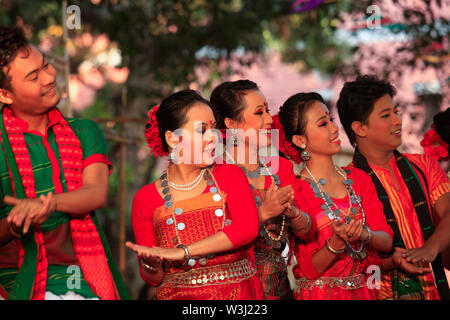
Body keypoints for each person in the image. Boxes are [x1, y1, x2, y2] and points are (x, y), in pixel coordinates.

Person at [0, 26, 128, 300]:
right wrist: (15, 224)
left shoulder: (85, 131)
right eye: (34, 76)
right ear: (5, 95)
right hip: (12, 280)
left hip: (80, 280)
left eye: (45, 65)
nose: (49, 77)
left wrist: (48, 204)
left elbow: (96, 193)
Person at [126, 89, 263, 300]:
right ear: (172, 139)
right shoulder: (145, 198)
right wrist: (150, 263)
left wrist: (183, 252)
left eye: (214, 129)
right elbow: (152, 277)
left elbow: (247, 227)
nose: (213, 138)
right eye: (202, 130)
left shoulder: (229, 175)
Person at [336, 75, 450, 300]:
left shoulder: (424, 166)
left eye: (395, 112)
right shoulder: (347, 184)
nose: (397, 121)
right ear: (360, 128)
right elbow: (356, 266)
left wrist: (431, 248)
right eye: (386, 115)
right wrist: (393, 263)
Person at [275, 92, 393, 300]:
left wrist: (365, 234)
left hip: (365, 291)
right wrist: (336, 243)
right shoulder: (295, 189)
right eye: (322, 124)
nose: (333, 128)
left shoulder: (359, 178)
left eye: (331, 119)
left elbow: (386, 240)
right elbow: (310, 269)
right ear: (300, 140)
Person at [209, 80, 316, 300]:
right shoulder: (214, 174)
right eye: (259, 113)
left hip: (279, 289)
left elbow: (309, 232)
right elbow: (212, 240)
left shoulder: (281, 168)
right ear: (231, 123)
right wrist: (263, 212)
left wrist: (294, 215)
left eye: (267, 110)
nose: (269, 120)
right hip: (234, 292)